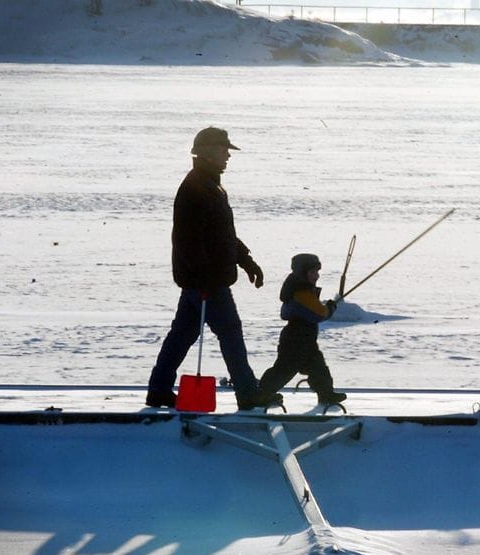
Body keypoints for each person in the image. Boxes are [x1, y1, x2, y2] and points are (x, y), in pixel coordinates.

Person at [146, 127, 278, 410]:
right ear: (205, 151)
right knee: (230, 331)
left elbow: (223, 234)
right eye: (223, 149)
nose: (228, 155)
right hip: (208, 282)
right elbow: (186, 239)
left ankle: (158, 389)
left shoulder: (211, 186)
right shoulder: (196, 187)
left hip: (203, 280)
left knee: (182, 335)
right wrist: (203, 275)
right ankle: (247, 393)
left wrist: (245, 260)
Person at [258, 253, 347, 405]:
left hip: (304, 339)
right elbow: (319, 313)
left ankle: (326, 394)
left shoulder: (300, 290)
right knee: (284, 370)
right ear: (302, 273)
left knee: (318, 367)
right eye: (312, 272)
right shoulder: (301, 293)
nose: (316, 275)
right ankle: (262, 394)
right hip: (296, 340)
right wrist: (330, 308)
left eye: (317, 272)